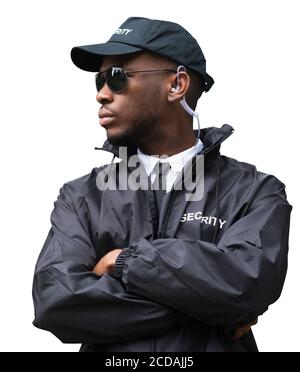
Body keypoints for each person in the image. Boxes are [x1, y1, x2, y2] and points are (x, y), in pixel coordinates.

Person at [32, 17, 292, 352]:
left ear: (177, 85)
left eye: (117, 77)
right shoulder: (81, 196)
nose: (101, 94)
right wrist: (208, 306)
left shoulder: (255, 191)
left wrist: (125, 261)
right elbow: (57, 300)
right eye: (99, 80)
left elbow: (248, 285)